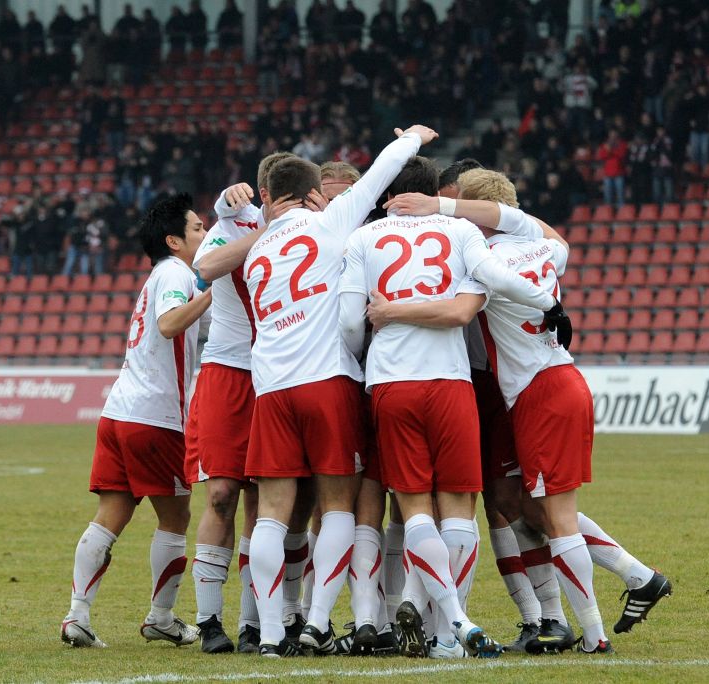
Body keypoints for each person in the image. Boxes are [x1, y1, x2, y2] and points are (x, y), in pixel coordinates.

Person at [373, 170, 672, 654]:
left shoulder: (483, 258)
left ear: (474, 212)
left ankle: (591, 634)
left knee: (554, 517)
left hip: (534, 393)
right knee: (536, 510)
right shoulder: (548, 249)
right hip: (564, 380)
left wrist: (390, 311)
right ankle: (632, 580)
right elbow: (542, 232)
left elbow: (462, 307)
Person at [340, 157, 570, 659]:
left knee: (413, 504)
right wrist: (548, 303)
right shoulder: (460, 231)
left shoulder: (364, 238)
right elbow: (492, 280)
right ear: (434, 191)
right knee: (461, 505)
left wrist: (371, 339)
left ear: (391, 194)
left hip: (390, 382)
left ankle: (446, 620)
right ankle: (449, 634)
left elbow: (350, 324)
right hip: (451, 382)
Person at [242, 126, 437, 658]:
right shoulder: (329, 222)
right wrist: (412, 138)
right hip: (326, 379)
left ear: (269, 196)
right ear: (311, 194)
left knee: (270, 514)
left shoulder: (256, 251)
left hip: (271, 389)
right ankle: (319, 622)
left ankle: (272, 633)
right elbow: (377, 177)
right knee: (337, 508)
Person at [60, 194, 212, 649]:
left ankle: (77, 616)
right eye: (198, 228)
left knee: (111, 514)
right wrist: (209, 296)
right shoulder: (176, 273)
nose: (205, 235)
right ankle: (161, 617)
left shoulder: (160, 274)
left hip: (118, 412)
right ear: (174, 240)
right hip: (156, 418)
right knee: (177, 516)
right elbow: (168, 325)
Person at [183, 152, 296, 655]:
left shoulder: (310, 228)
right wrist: (251, 224)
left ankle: (254, 623)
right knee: (222, 494)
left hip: (278, 374)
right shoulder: (234, 222)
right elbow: (204, 269)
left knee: (263, 502)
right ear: (261, 193)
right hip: (229, 370)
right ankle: (209, 621)